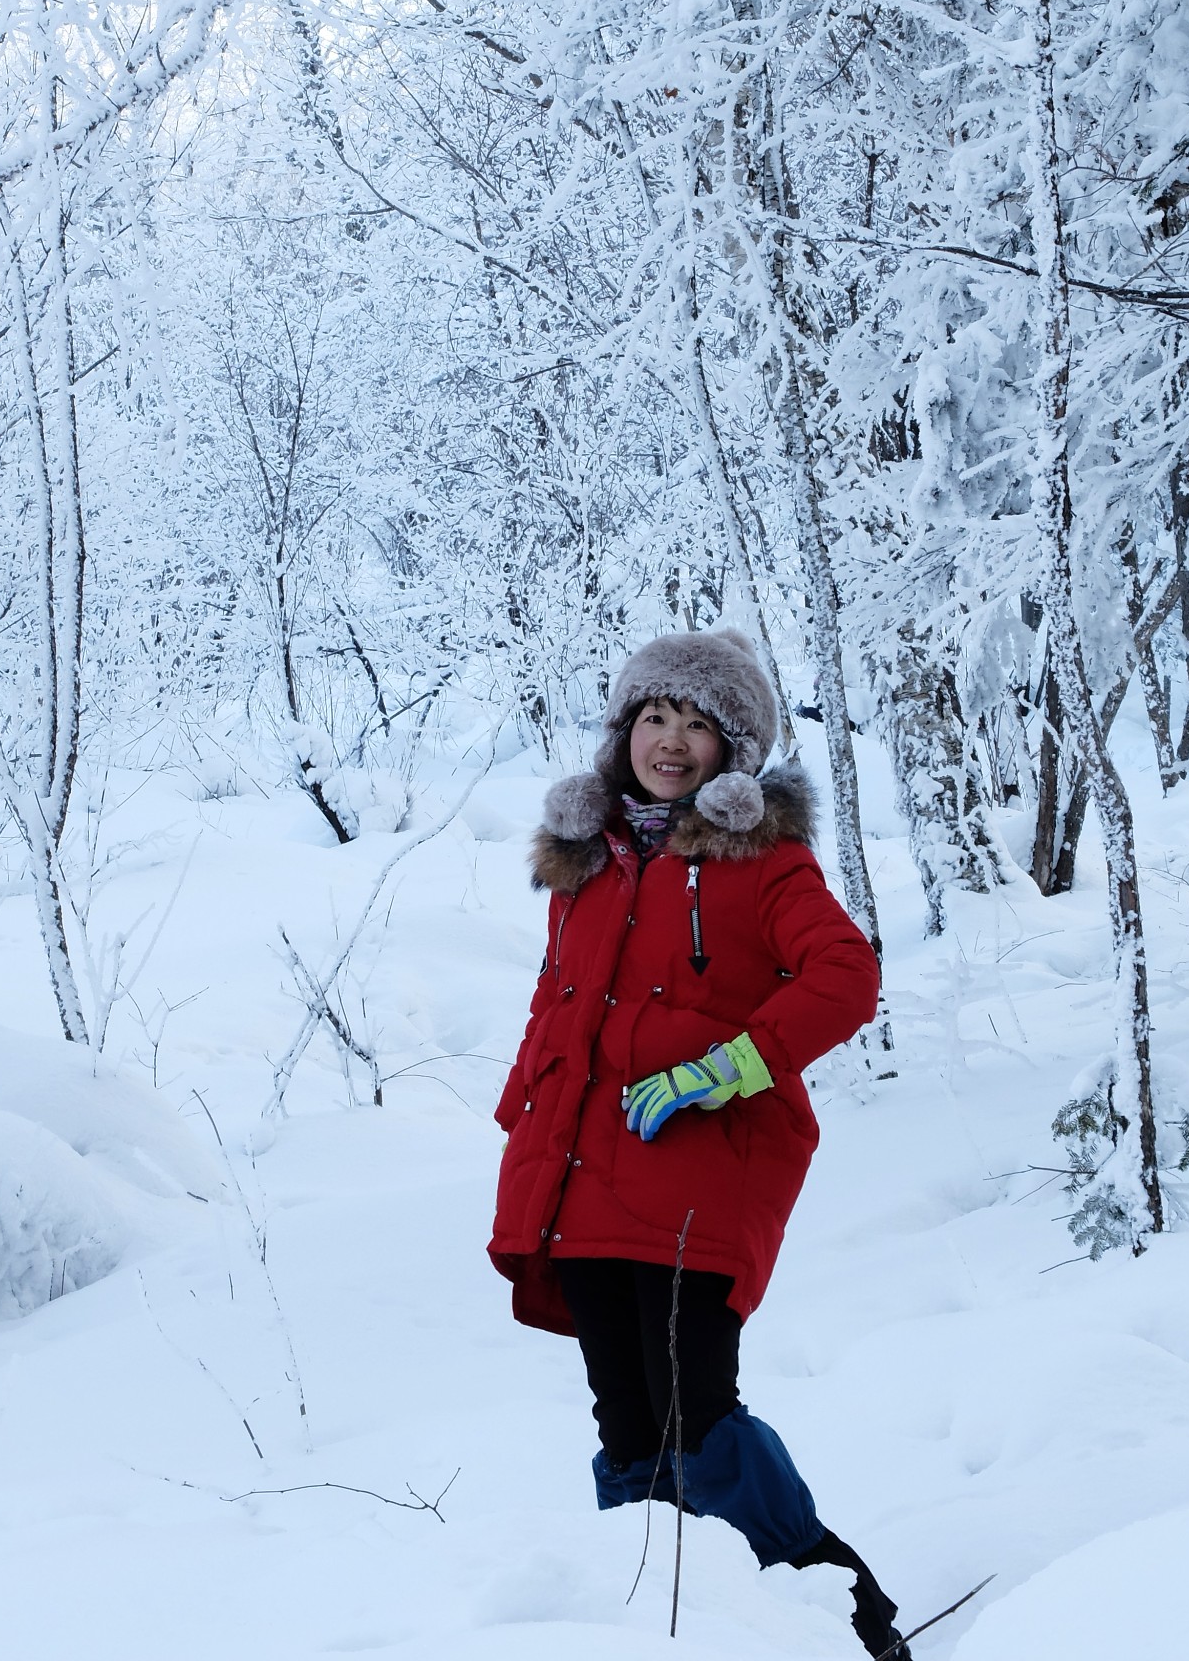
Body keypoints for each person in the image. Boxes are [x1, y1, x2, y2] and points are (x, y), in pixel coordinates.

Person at [490, 629, 910, 1660]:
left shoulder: (760, 855)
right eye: (654, 715)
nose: (670, 740)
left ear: (733, 749)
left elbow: (845, 975)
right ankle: (668, 1624)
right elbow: (559, 1003)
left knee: (700, 1419)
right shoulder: (586, 861)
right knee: (626, 1426)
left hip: (697, 1180)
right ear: (625, 726)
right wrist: (524, 1117)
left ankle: (855, 1619)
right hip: (584, 1178)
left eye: (696, 723)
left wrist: (725, 1067)